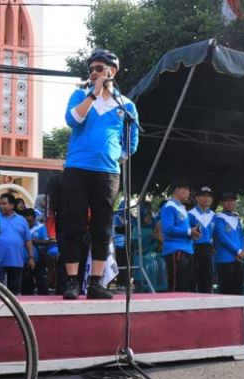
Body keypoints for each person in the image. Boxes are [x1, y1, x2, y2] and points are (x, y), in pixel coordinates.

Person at [59, 48, 139, 300]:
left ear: (111, 71)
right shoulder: (79, 95)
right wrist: (93, 94)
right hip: (77, 169)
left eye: (99, 68)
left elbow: (132, 138)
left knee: (103, 228)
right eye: (91, 69)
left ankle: (96, 282)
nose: (93, 72)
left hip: (107, 173)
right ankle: (72, 281)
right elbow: (72, 120)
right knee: (73, 224)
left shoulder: (125, 105)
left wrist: (122, 154)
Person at [161, 179, 200, 292]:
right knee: (176, 284)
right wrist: (189, 231)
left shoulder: (182, 208)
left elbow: (185, 229)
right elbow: (168, 228)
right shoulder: (169, 206)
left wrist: (193, 234)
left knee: (187, 284)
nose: (188, 193)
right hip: (175, 250)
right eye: (186, 190)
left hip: (188, 249)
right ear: (177, 190)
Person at [0, 193, 35, 294]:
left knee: (14, 290)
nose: (1, 206)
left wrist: (31, 258)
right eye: (0, 204)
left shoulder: (22, 220)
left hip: (16, 260)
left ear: (12, 205)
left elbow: (28, 240)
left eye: (4, 203)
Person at [213, 192, 244, 296]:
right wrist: (237, 250)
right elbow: (223, 238)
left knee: (238, 286)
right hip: (224, 258)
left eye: (232, 200)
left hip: (237, 258)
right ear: (222, 203)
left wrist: (242, 250)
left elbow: (241, 236)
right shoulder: (218, 218)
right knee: (226, 288)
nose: (230, 203)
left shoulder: (237, 218)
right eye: (227, 201)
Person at [188, 186, 216, 293]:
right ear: (197, 198)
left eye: (209, 196)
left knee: (208, 278)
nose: (206, 199)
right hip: (194, 248)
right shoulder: (190, 214)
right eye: (203, 196)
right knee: (193, 278)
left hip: (208, 249)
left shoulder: (214, 216)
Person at [22, 208, 51, 295]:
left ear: (34, 219)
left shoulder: (41, 228)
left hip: (39, 261)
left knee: (43, 286)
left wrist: (37, 241)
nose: (28, 223)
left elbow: (48, 241)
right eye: (26, 221)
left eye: (30, 221)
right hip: (23, 261)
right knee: (26, 288)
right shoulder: (21, 228)